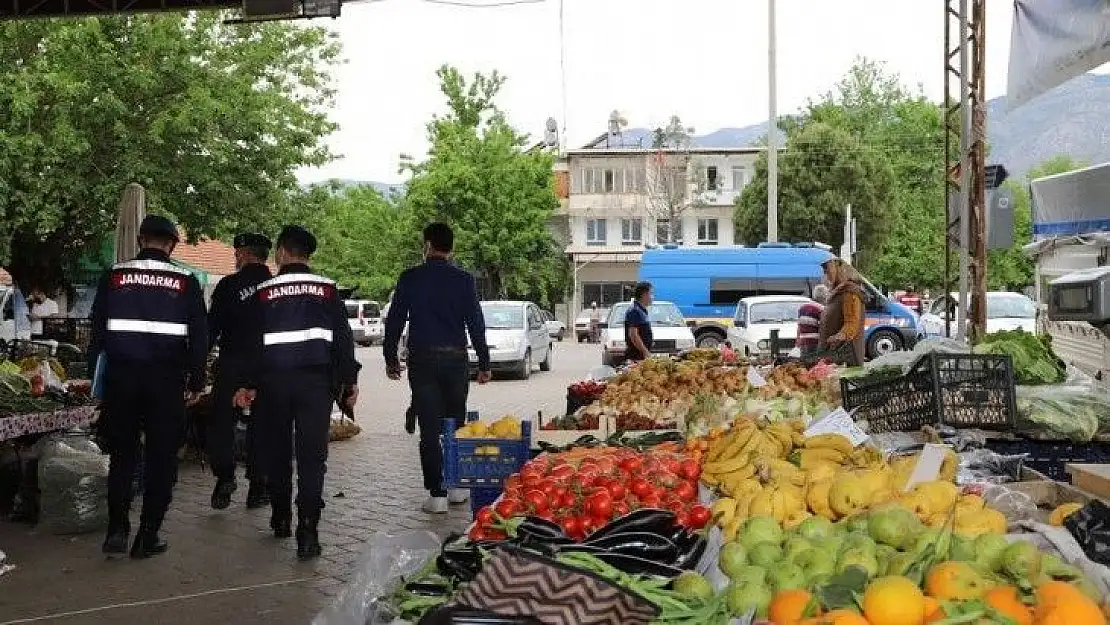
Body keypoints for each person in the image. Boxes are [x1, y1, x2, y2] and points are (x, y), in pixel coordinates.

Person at [234, 226, 359, 560]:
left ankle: (280, 517)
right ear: (307, 254)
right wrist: (349, 382)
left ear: (281, 252)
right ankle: (308, 531)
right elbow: (343, 341)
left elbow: (252, 345)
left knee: (277, 452)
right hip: (315, 385)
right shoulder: (328, 289)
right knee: (312, 458)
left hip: (273, 384)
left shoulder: (263, 291)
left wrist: (247, 385)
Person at [88, 215, 208, 559]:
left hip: (121, 380)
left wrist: (93, 379)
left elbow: (96, 331)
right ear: (171, 244)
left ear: (141, 240)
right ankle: (147, 535)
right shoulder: (186, 281)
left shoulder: (114, 275)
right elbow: (200, 338)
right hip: (166, 382)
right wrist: (197, 379)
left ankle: (116, 532)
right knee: (161, 458)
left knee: (122, 455)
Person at [383, 222, 491, 515]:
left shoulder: (410, 278)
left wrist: (390, 359)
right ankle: (457, 488)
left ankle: (437, 495)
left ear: (427, 245)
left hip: (424, 362)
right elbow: (475, 323)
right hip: (456, 360)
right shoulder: (465, 280)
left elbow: (394, 321)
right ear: (451, 249)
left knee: (429, 429)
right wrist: (484, 363)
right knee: (454, 425)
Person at [206, 233, 273, 511]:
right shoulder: (277, 287)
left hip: (233, 365)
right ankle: (258, 487)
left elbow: (212, 328)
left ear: (244, 254)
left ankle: (224, 477)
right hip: (269, 367)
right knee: (264, 427)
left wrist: (199, 360)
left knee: (222, 423)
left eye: (237, 254)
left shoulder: (228, 286)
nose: (235, 259)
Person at [817, 259, 866, 366]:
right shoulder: (837, 293)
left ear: (839, 266)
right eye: (824, 271)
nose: (825, 274)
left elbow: (852, 325)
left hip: (845, 361)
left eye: (827, 269)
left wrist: (838, 336)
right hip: (832, 358)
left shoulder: (850, 292)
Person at [624, 282, 654, 363]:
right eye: (651, 294)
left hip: (641, 357)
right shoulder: (635, 310)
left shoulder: (641, 310)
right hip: (636, 357)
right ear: (644, 295)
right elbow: (633, 335)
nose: (653, 297)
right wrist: (645, 352)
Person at [798, 284, 829, 359]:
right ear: (825, 297)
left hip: (803, 341)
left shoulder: (802, 307)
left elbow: (799, 327)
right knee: (814, 365)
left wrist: (798, 342)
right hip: (814, 342)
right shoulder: (821, 309)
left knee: (805, 366)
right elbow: (823, 327)